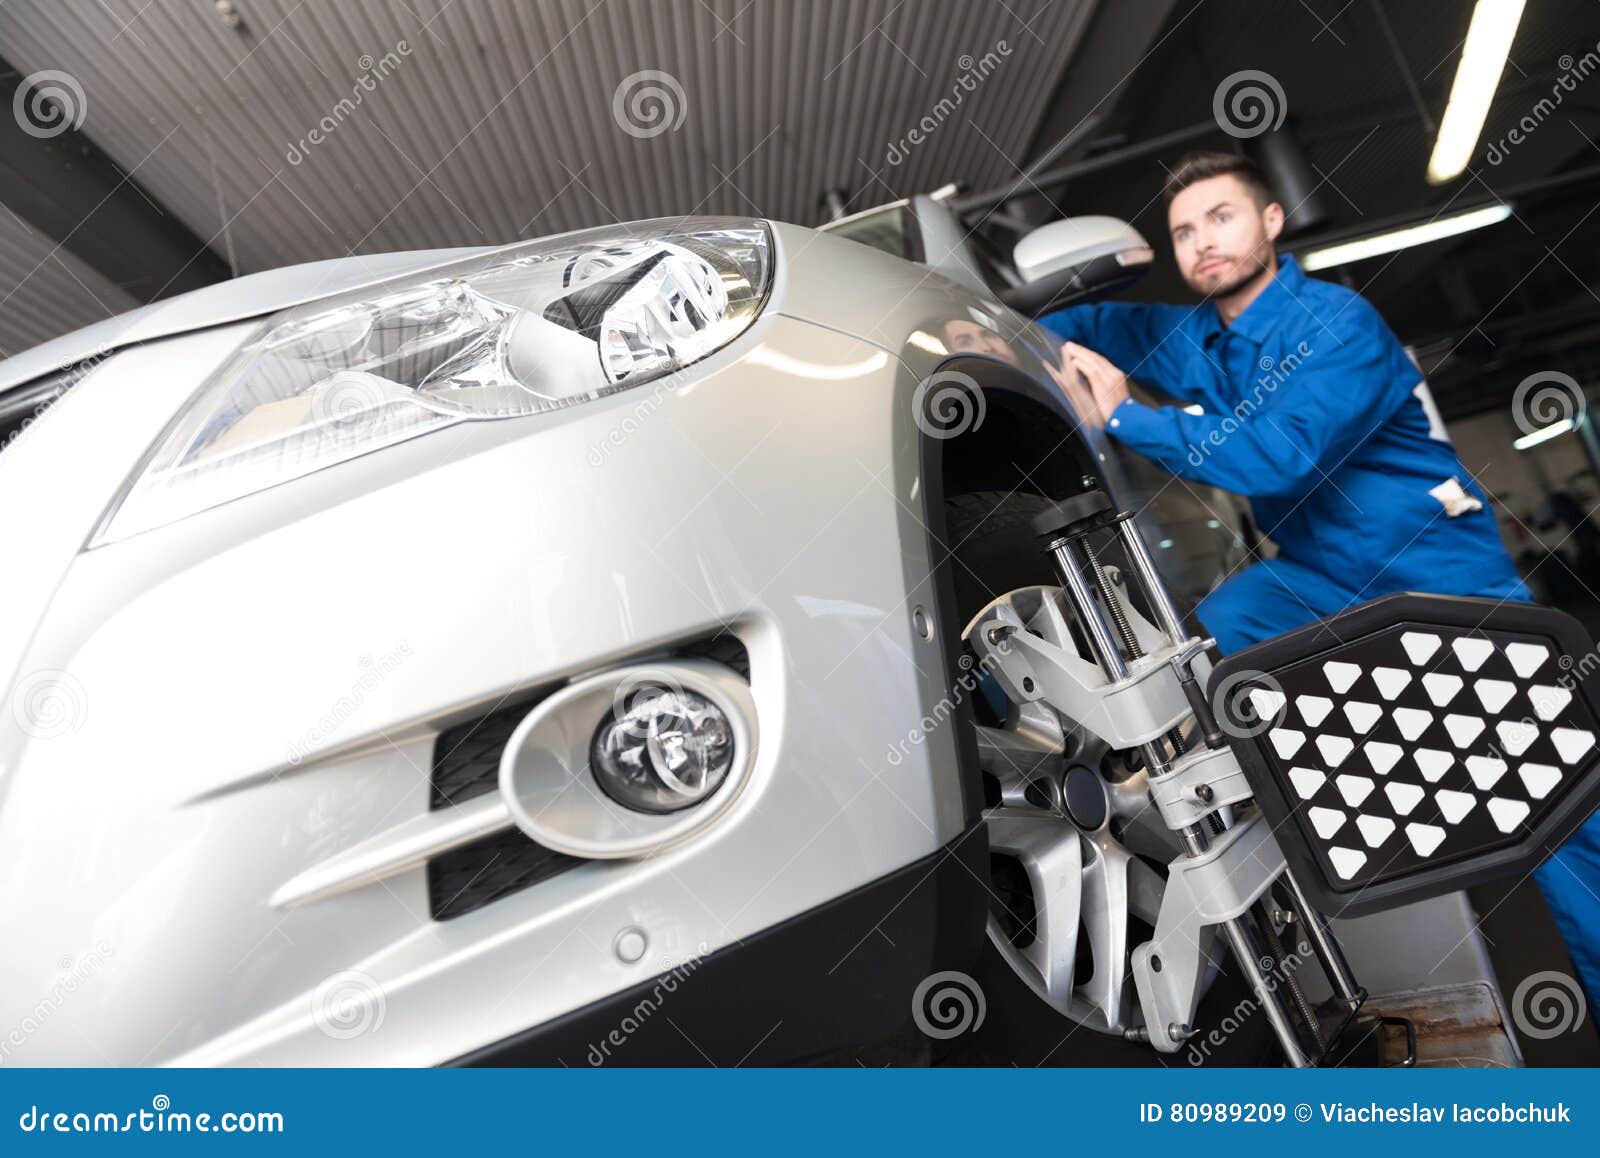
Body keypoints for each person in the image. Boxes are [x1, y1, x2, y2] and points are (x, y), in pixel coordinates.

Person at [1041, 149, 1597, 1005]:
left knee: (1558, 818)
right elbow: (1094, 321)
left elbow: (1278, 456)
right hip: (1317, 582)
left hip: (1445, 594)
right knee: (1216, 631)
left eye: (1221, 217)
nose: (1201, 242)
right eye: (1184, 231)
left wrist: (1121, 413)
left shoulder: (1334, 324)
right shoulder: (1204, 338)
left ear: (1271, 221)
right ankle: (1256, 828)